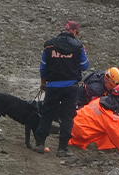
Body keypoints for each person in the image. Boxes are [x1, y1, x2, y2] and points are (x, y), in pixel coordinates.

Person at [34, 20, 89, 157]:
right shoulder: (78, 47)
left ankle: (40, 143)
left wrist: (43, 83)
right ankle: (62, 148)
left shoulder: (49, 46)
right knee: (67, 117)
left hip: (52, 86)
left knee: (47, 114)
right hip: (71, 87)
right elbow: (84, 66)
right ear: (74, 32)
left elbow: (43, 68)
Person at [68, 84, 119, 158]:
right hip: (81, 133)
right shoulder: (111, 117)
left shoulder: (99, 100)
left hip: (72, 124)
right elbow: (117, 136)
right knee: (109, 137)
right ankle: (88, 144)